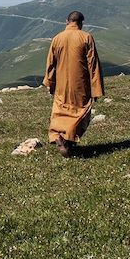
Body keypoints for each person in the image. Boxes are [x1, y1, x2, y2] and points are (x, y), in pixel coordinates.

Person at [42, 11, 104, 158]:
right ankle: (69, 141)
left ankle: (58, 136)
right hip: (80, 85)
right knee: (79, 112)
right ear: (81, 23)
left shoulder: (57, 38)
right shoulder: (86, 37)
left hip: (61, 85)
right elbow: (93, 65)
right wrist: (96, 89)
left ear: (67, 21)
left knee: (60, 111)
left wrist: (49, 83)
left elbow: (50, 64)